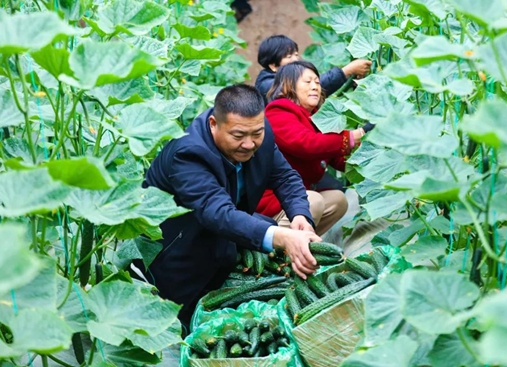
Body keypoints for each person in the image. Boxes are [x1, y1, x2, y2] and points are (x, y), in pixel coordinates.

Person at [136, 85, 321, 332]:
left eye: (257, 133)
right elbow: (218, 213)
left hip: (220, 242)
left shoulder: (260, 138)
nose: (249, 144)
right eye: (238, 136)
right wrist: (283, 237)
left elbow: (285, 177)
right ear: (214, 124)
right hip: (177, 256)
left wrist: (299, 215)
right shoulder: (189, 152)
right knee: (176, 330)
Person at [256, 61, 374, 236]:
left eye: (318, 83)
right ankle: (279, 251)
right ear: (289, 85)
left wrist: (371, 156)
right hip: (275, 200)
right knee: (313, 201)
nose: (315, 87)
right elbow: (307, 144)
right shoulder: (278, 111)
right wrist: (353, 136)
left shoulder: (314, 117)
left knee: (338, 200)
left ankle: (306, 245)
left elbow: (337, 159)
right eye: (308, 82)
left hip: (295, 198)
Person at [255, 35, 373, 103]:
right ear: (273, 66)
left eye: (296, 54)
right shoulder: (267, 85)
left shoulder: (276, 77)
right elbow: (303, 89)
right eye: (289, 56)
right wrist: (346, 71)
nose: (296, 60)